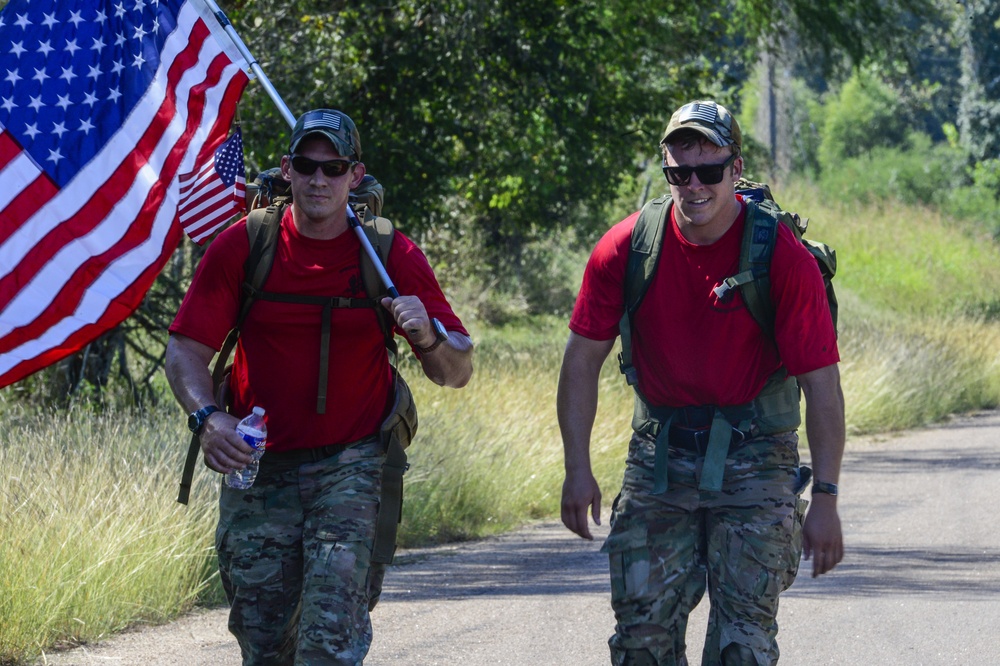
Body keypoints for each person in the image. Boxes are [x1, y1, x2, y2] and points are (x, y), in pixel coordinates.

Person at [165, 108, 474, 665]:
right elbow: (186, 349)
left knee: (328, 639)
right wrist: (208, 419)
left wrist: (427, 336)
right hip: (259, 466)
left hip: (352, 466)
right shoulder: (244, 246)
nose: (318, 180)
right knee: (264, 645)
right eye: (306, 165)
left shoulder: (387, 255)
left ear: (355, 176)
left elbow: (456, 371)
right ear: (286, 170)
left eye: (333, 168)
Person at [557, 100, 844, 666]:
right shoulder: (627, 247)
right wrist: (576, 467)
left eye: (709, 171)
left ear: (735, 169)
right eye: (679, 171)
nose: (694, 185)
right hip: (659, 455)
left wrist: (827, 497)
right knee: (641, 646)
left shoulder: (780, 256)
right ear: (666, 169)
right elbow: (581, 360)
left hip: (756, 456)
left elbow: (822, 385)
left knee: (742, 647)